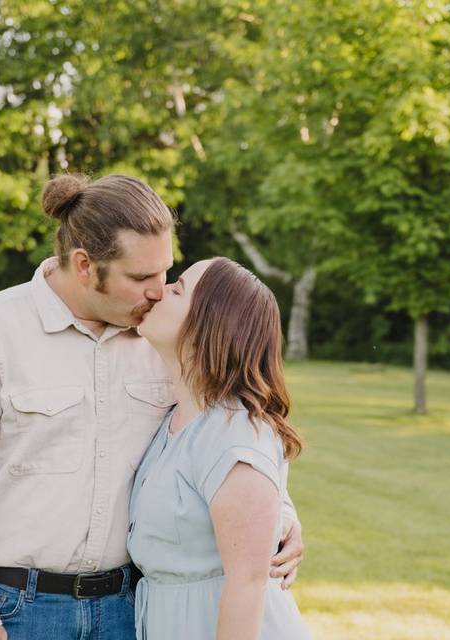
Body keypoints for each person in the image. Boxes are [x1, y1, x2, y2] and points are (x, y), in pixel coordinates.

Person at [0, 173, 305, 640]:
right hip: (18, 610)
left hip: (132, 610)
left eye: (167, 272)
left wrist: (280, 512)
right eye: (141, 277)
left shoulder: (165, 340)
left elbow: (228, 430)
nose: (159, 290)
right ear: (84, 265)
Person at [129, 257, 312, 639]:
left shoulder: (236, 433)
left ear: (207, 326)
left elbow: (247, 583)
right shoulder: (176, 420)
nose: (159, 292)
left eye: (177, 290)